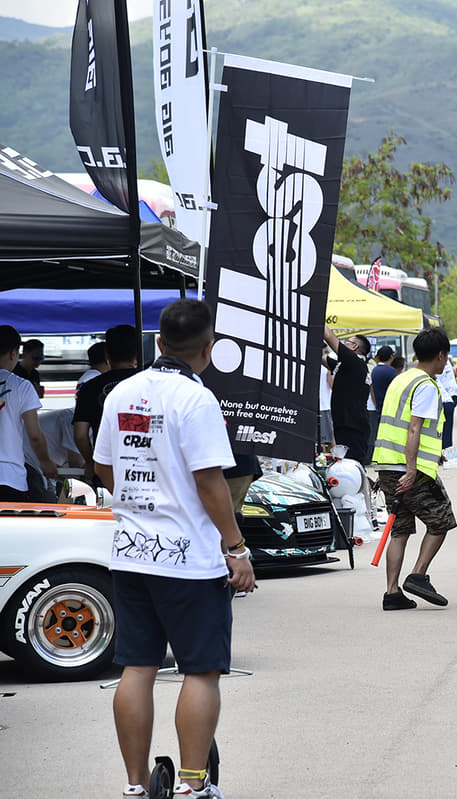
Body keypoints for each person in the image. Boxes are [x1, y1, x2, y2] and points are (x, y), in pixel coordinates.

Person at [93, 299, 255, 799]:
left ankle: (135, 785)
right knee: (200, 670)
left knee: (137, 665)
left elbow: (102, 467)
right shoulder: (196, 399)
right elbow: (210, 482)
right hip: (188, 558)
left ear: (158, 343)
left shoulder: (122, 392)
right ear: (208, 349)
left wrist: (142, 499)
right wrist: (237, 547)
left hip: (131, 550)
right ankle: (191, 784)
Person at [373, 327, 457, 610]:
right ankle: (418, 575)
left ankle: (392, 593)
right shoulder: (426, 385)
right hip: (410, 470)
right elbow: (414, 428)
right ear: (441, 355)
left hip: (386, 464)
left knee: (400, 529)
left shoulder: (402, 379)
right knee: (441, 520)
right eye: (446, 358)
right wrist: (411, 470)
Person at [74, 324, 141, 486]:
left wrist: (92, 462)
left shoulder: (89, 387)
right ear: (137, 353)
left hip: (105, 471)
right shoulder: (152, 384)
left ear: (106, 354)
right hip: (145, 472)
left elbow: (80, 435)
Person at [0, 326, 57, 501]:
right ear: (13, 353)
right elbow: (35, 435)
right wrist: (45, 461)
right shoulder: (21, 386)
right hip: (10, 477)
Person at [322, 326, 371, 464]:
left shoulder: (354, 362)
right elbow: (322, 358)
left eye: (347, 342)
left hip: (353, 427)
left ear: (354, 347)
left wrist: (314, 311)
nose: (344, 344)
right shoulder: (346, 365)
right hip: (346, 424)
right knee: (346, 466)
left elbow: (328, 335)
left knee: (351, 468)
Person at [369, 345, 399, 452]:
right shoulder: (391, 371)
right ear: (391, 357)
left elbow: (371, 389)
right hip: (390, 408)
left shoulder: (374, 370)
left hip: (377, 407)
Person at [436, 350, 457, 450]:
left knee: (445, 428)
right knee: (444, 428)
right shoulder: (441, 362)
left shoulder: (444, 362)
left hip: (448, 398)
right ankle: (445, 451)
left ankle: (445, 451)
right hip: (446, 398)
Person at [318, 349, 335, 454]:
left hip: (317, 405)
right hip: (325, 405)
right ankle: (335, 457)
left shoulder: (310, 367)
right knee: (328, 435)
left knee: (319, 438)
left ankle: (321, 458)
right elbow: (332, 386)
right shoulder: (326, 370)